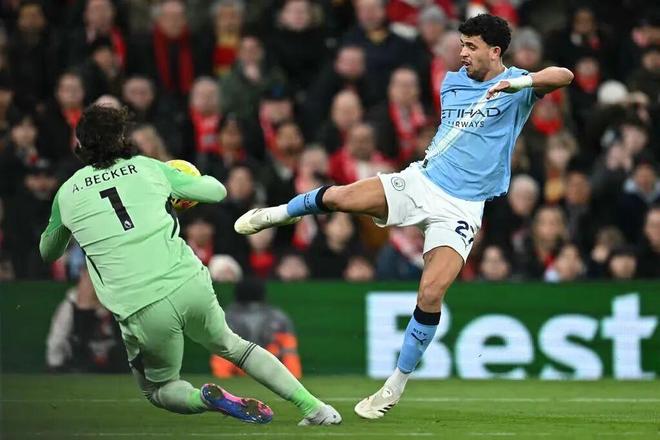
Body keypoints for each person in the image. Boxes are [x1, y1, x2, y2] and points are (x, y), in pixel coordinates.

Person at [234, 14, 573, 419]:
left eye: (471, 46)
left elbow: (564, 75)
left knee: (431, 294)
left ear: (495, 51)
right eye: (461, 45)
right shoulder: (452, 83)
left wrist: (517, 84)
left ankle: (394, 385)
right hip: (422, 182)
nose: (462, 53)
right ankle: (277, 214)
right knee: (340, 196)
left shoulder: (519, 87)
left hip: (463, 207)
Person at [39, 105, 341, 426]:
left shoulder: (66, 193)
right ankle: (315, 408)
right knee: (233, 346)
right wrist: (180, 183)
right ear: (121, 137)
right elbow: (217, 191)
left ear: (81, 143)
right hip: (188, 282)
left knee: (158, 389)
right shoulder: (148, 168)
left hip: (141, 305)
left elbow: (48, 252)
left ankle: (204, 398)